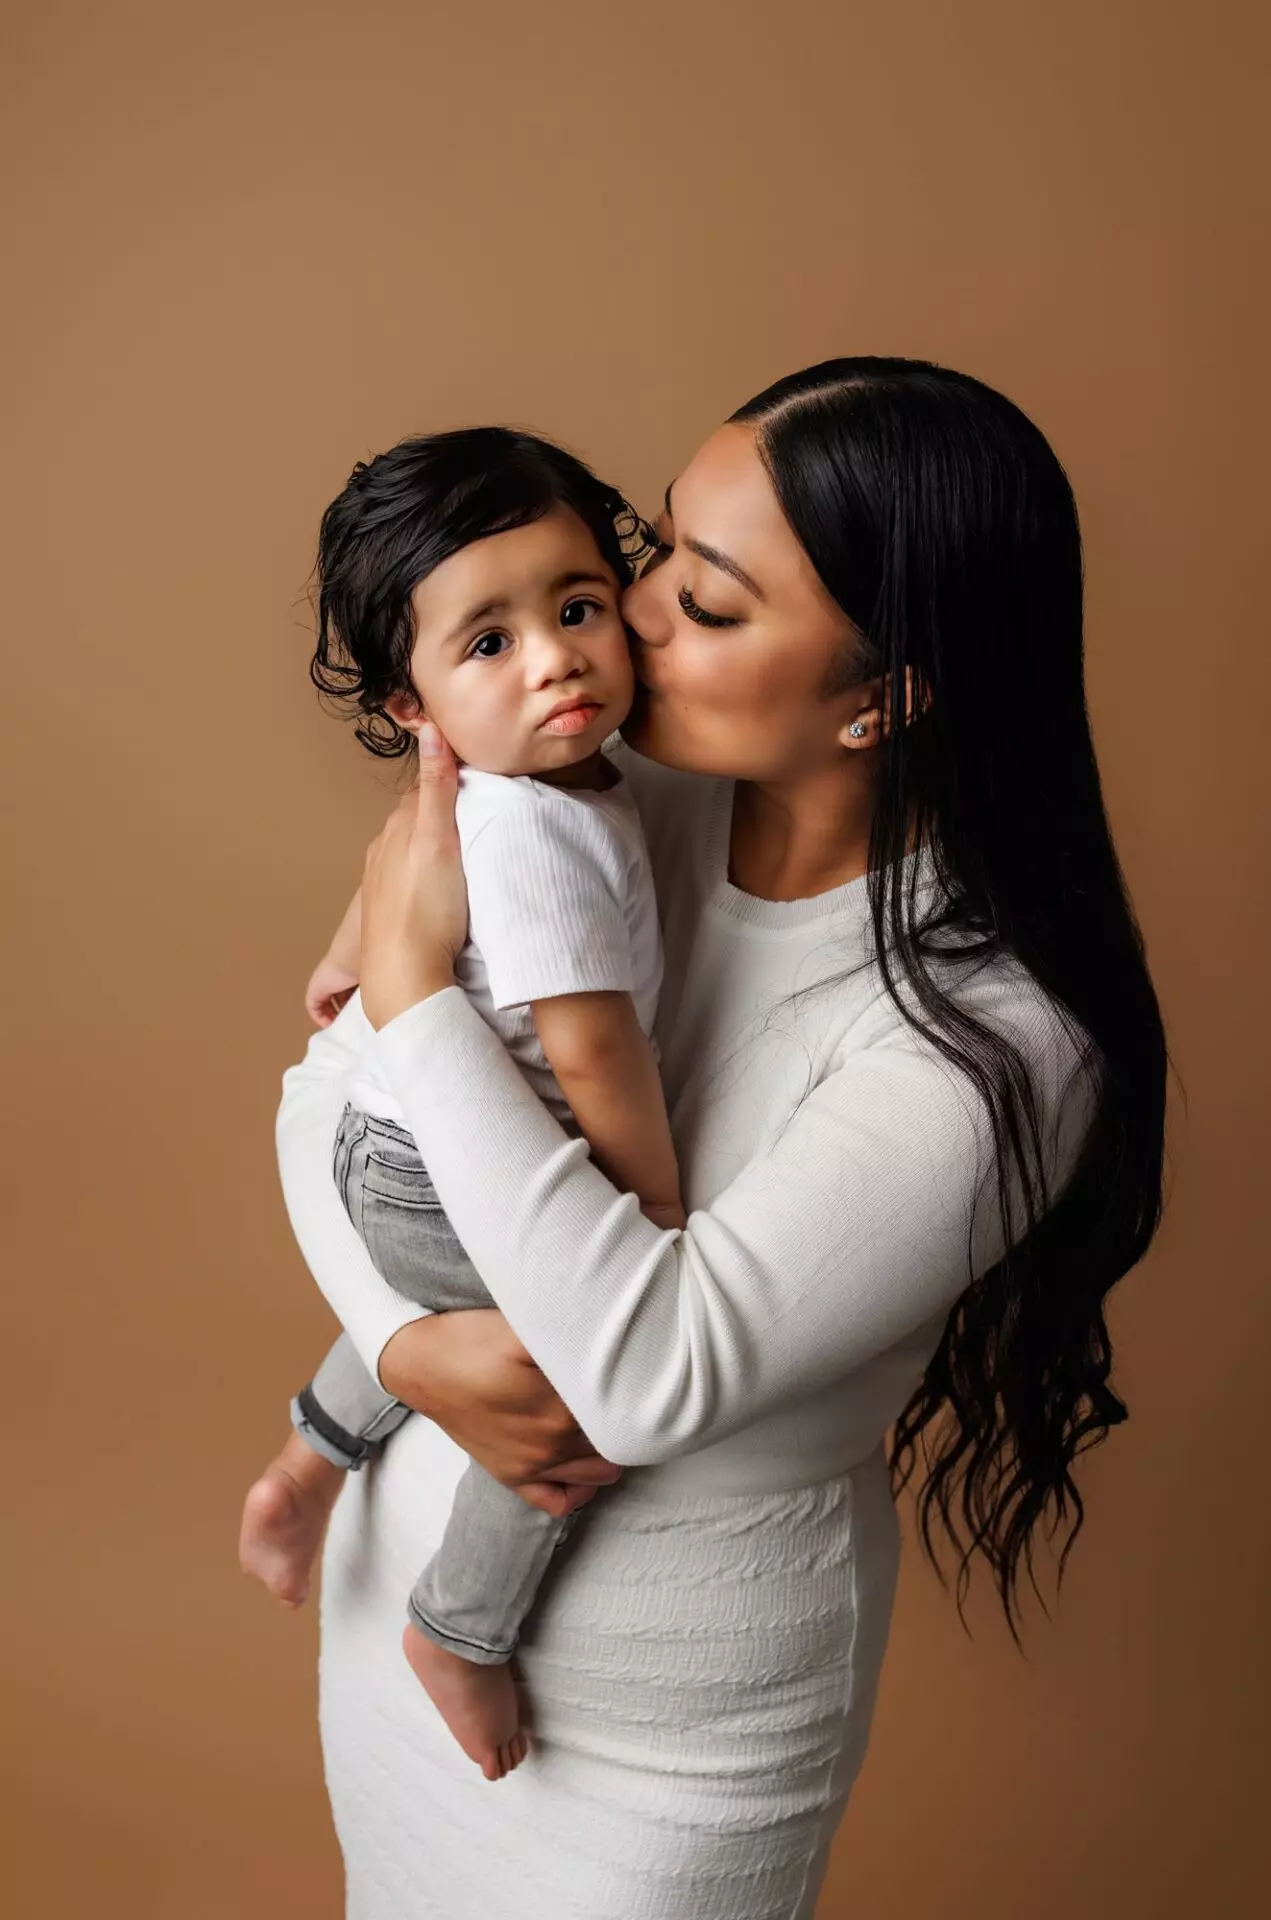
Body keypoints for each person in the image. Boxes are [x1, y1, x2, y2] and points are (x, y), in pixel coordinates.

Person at [273, 357, 1167, 1919]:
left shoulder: (1002, 1044)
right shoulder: (594, 803)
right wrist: (400, 1349)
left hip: (672, 1740)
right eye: (663, 547)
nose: (628, 610)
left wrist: (416, 991)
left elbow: (645, 1371)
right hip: (387, 1616)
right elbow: (315, 1108)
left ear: (883, 695)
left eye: (716, 600)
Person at [240, 428, 683, 1781]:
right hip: (433, 1177)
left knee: (438, 1316)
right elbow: (597, 1056)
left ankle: (307, 1468)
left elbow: (410, 850)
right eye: (487, 643)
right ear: (414, 705)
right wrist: (650, 1204)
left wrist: (341, 953)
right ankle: (463, 1628)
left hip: (393, 1153)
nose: (553, 657)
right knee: (578, 1387)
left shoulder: (516, 788)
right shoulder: (543, 830)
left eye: (576, 607)